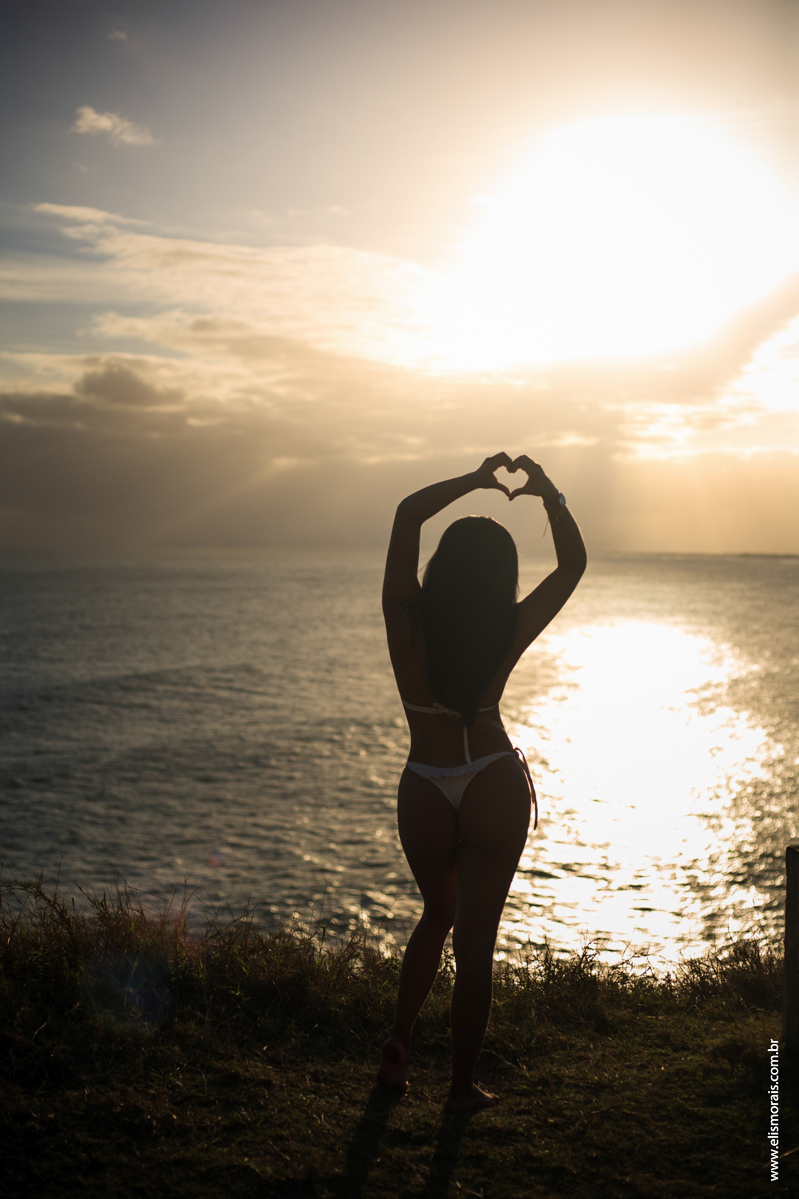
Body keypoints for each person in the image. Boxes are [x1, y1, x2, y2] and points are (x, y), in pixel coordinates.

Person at [377, 451, 586, 1111]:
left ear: (441, 566)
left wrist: (473, 480)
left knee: (435, 916)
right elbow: (573, 564)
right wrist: (547, 492)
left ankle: (397, 1046)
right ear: (499, 576)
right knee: (476, 943)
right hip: (492, 780)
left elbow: (407, 512)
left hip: (425, 783)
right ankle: (460, 1087)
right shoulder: (507, 626)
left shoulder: (403, 618)